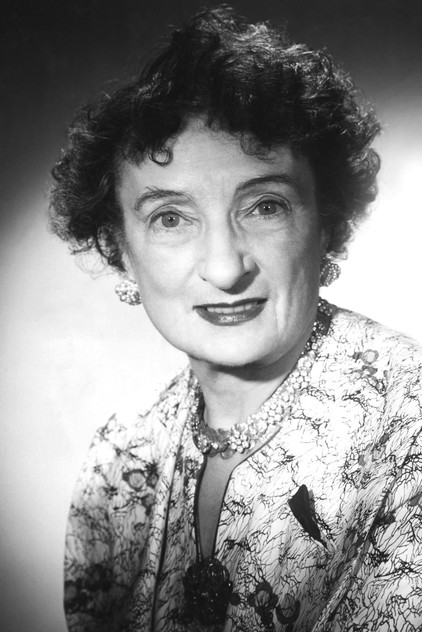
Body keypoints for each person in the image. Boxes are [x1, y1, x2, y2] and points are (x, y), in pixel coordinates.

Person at [49, 6, 422, 632]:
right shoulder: (117, 462)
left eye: (265, 206)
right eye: (171, 218)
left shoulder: (412, 422)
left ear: (325, 224)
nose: (225, 269)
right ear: (119, 249)